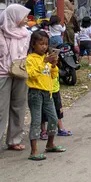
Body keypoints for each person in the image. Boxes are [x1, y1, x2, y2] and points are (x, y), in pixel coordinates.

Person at [0, 4, 31, 163]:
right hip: (0, 75)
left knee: (19, 106)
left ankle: (14, 140)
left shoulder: (26, 34)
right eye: (23, 16)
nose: (26, 19)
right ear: (13, 16)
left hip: (20, 74)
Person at [25, 30, 65, 160]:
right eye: (41, 44)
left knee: (53, 118)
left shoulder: (45, 58)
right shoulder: (31, 59)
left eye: (46, 44)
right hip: (35, 93)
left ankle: (50, 143)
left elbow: (53, 75)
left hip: (47, 92)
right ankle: (34, 151)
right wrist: (44, 62)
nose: (44, 47)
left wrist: (53, 65)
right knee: (36, 121)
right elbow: (32, 74)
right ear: (33, 45)